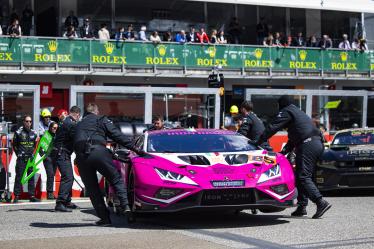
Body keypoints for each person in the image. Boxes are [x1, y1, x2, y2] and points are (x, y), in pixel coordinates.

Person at [256, 95, 332, 219]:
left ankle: (320, 202)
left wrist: (258, 141)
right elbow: (295, 136)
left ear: (282, 105)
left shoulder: (287, 111)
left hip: (307, 144)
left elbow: (273, 127)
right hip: (316, 144)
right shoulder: (297, 112)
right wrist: (285, 151)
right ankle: (302, 206)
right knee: (302, 175)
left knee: (303, 176)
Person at [73, 103, 143, 226]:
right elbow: (117, 136)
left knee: (93, 189)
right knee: (116, 179)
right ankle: (126, 207)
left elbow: (72, 142)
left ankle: (105, 219)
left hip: (81, 156)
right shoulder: (101, 119)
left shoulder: (78, 124)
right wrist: (135, 148)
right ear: (96, 111)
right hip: (98, 152)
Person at [51, 106, 81, 212]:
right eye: (79, 116)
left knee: (69, 177)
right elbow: (77, 139)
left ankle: (67, 201)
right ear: (77, 114)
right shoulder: (71, 124)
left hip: (61, 153)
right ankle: (60, 203)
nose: (79, 118)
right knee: (67, 177)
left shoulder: (66, 121)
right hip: (62, 153)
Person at [12, 115, 39, 203]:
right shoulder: (18, 132)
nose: (28, 123)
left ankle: (31, 195)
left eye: (30, 121)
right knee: (19, 177)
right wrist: (19, 154)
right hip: (21, 158)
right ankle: (16, 196)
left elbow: (35, 146)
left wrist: (32, 155)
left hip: (30, 159)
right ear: (23, 122)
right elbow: (14, 145)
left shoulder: (34, 133)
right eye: (27, 121)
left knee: (31, 177)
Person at [44, 122, 59, 199]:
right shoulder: (46, 136)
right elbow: (40, 149)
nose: (55, 129)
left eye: (56, 128)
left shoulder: (58, 136)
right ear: (50, 128)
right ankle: (49, 193)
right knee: (50, 175)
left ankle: (51, 192)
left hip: (55, 158)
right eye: (54, 128)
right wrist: (45, 156)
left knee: (52, 175)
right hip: (48, 158)